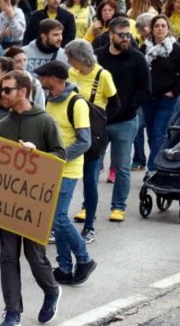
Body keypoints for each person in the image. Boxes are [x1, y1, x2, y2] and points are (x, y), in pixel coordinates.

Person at [0, 70, 64, 326]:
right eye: (2, 90)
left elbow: (60, 157)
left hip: (35, 204)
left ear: (23, 91)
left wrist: (37, 154)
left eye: (7, 90)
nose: (2, 94)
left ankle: (52, 290)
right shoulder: (2, 125)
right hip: (8, 203)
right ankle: (13, 311)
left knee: (35, 257)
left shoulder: (45, 122)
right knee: (8, 257)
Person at [35, 61, 98, 285]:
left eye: (43, 76)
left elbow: (84, 141)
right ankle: (63, 267)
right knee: (55, 219)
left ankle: (84, 259)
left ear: (53, 78)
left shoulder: (76, 103)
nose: (40, 79)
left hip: (68, 169)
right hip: (51, 168)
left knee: (58, 217)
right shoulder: (51, 101)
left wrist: (58, 157)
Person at [95, 17, 151, 220]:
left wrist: (130, 107)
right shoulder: (98, 56)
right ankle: (88, 205)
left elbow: (145, 89)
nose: (126, 38)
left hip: (125, 121)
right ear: (111, 35)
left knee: (123, 166)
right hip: (100, 120)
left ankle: (118, 206)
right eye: (122, 34)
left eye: (129, 34)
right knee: (93, 165)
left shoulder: (137, 58)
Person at [66, 40, 119, 243]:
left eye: (72, 58)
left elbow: (115, 104)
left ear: (81, 58)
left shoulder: (102, 75)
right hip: (72, 131)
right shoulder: (72, 74)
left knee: (90, 180)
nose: (69, 62)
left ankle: (89, 226)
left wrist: (101, 123)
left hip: (93, 134)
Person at [141, 15, 180, 173]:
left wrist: (174, 92)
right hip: (148, 97)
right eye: (157, 26)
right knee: (151, 132)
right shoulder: (145, 48)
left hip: (166, 99)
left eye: (163, 26)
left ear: (168, 29)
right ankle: (157, 159)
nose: (160, 28)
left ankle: (153, 167)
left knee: (159, 132)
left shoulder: (175, 48)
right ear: (152, 29)